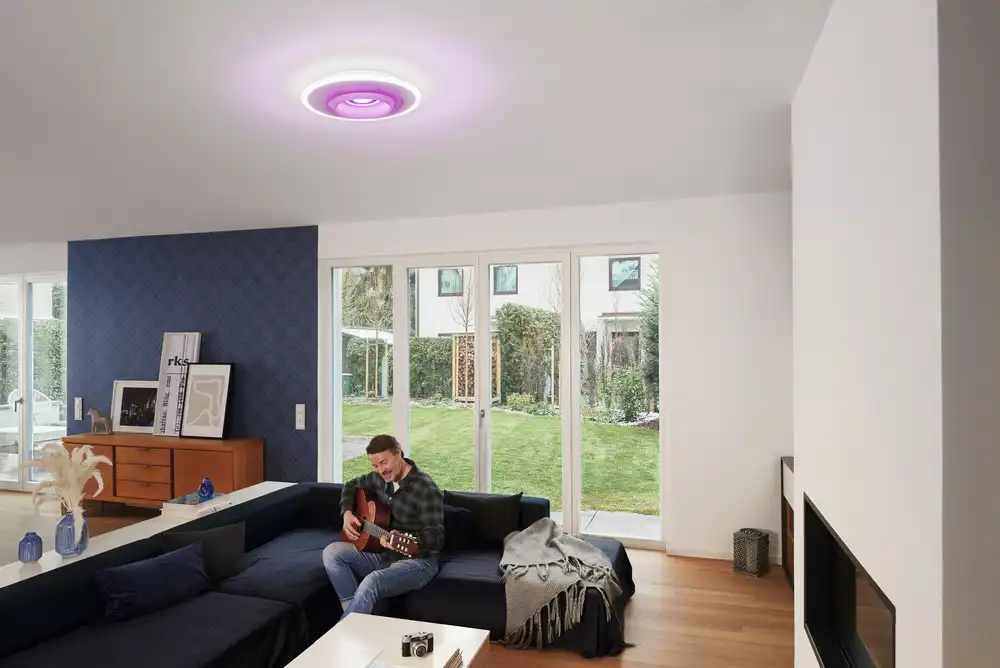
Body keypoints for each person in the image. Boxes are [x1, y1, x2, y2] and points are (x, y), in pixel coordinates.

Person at [322, 434, 444, 619]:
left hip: (418, 562)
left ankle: (345, 628)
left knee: (372, 581)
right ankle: (353, 613)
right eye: (375, 466)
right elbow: (351, 485)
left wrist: (400, 537)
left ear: (398, 452)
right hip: (384, 555)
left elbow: (436, 538)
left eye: (383, 463)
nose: (380, 470)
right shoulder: (380, 479)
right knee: (332, 553)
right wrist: (346, 512)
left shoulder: (425, 489)